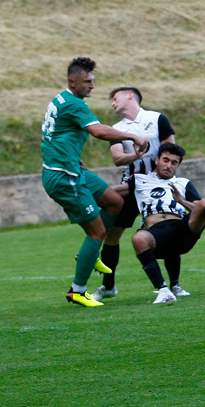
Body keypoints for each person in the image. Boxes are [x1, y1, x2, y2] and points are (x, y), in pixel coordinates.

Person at [41, 57, 150, 307]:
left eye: (93, 81)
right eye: (87, 81)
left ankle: (89, 256)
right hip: (64, 177)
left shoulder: (60, 99)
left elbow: (52, 133)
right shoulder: (75, 105)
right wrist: (132, 135)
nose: (92, 86)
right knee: (98, 232)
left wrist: (69, 156)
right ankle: (77, 290)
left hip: (70, 169)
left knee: (114, 202)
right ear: (73, 81)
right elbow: (99, 131)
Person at [92, 86, 176, 302]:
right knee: (112, 236)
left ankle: (174, 285)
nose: (112, 103)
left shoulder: (157, 119)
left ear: (130, 95)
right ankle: (108, 286)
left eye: (115, 98)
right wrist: (136, 156)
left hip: (156, 186)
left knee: (165, 230)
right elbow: (118, 159)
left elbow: (171, 152)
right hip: (130, 188)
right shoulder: (117, 128)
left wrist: (157, 175)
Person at [130, 143, 205, 305]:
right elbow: (118, 194)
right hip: (155, 232)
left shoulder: (182, 183)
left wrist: (181, 201)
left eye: (174, 163)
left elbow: (200, 208)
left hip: (180, 230)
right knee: (138, 238)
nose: (169, 165)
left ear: (178, 165)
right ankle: (164, 290)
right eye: (165, 160)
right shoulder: (139, 180)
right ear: (157, 160)